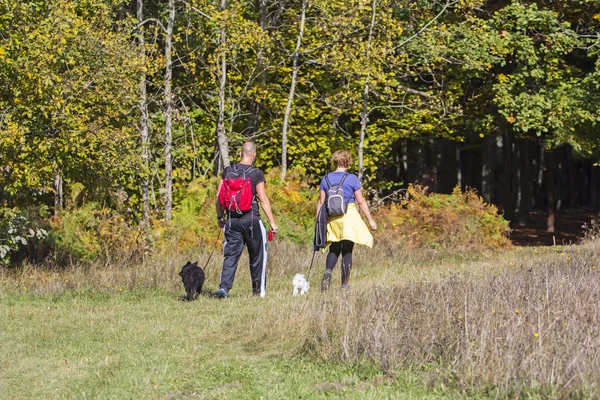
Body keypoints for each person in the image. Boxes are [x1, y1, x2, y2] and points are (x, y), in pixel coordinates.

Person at [215, 142, 278, 298]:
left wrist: (220, 217)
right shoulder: (256, 173)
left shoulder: (228, 171)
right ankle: (258, 292)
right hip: (251, 220)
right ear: (254, 154)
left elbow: (218, 197)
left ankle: (224, 288)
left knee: (231, 256)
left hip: (231, 221)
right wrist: (272, 222)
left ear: (241, 153)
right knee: (257, 256)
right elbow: (262, 199)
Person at [316, 150, 377, 290]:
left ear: (335, 161)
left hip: (333, 218)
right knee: (347, 249)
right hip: (348, 215)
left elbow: (321, 201)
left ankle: (328, 272)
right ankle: (344, 284)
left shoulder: (325, 179)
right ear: (348, 162)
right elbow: (360, 201)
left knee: (334, 248)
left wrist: (318, 222)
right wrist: (370, 220)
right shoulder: (352, 178)